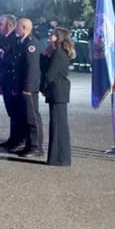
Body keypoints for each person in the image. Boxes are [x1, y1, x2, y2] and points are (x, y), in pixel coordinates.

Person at [9, 17, 43, 157]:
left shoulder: (31, 44)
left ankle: (36, 147)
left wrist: (28, 87)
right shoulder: (21, 42)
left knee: (32, 117)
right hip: (21, 86)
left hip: (28, 87)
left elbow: (32, 68)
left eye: (17, 26)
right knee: (24, 117)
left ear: (24, 27)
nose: (15, 29)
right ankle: (28, 145)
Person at [41, 27, 72, 166]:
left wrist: (42, 87)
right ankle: (58, 157)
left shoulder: (58, 54)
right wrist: (44, 55)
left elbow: (50, 74)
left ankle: (60, 158)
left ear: (58, 38)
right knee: (57, 125)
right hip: (57, 92)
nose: (50, 37)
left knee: (59, 126)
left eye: (53, 35)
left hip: (58, 91)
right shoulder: (55, 52)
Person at [0, 14, 24, 150]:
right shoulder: (3, 39)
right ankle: (13, 138)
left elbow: (16, 62)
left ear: (9, 25)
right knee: (11, 111)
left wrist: (3, 54)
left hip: (13, 82)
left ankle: (19, 139)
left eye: (1, 24)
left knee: (17, 112)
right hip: (5, 81)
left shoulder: (15, 40)